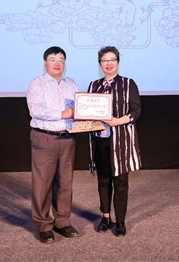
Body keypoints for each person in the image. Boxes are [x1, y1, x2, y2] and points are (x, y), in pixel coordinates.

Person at [26, 46, 79, 243]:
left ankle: (62, 221)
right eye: (53, 59)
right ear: (45, 62)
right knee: (43, 184)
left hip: (67, 138)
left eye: (61, 60)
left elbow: (78, 109)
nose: (57, 63)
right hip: (45, 138)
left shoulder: (70, 84)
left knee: (65, 183)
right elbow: (35, 110)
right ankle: (43, 224)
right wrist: (61, 114)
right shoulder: (37, 84)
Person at [87, 46, 142, 236]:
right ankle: (105, 217)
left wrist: (117, 121)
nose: (108, 63)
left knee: (120, 182)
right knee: (103, 180)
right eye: (104, 60)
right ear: (100, 64)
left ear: (118, 62)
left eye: (112, 59)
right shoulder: (94, 85)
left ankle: (120, 221)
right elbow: (88, 111)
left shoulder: (128, 83)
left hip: (120, 141)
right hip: (100, 140)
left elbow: (136, 111)